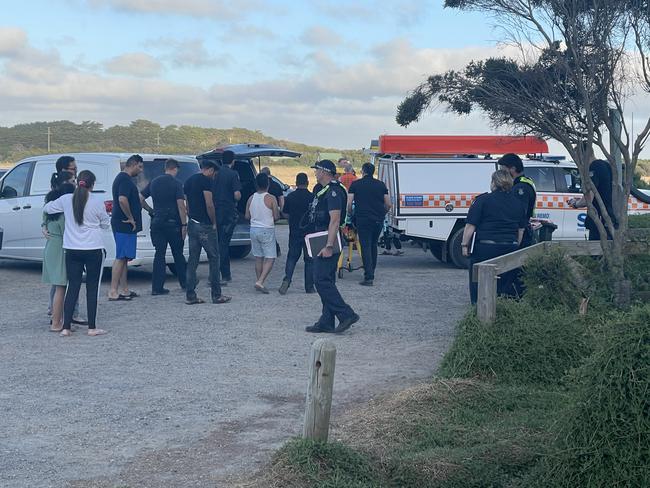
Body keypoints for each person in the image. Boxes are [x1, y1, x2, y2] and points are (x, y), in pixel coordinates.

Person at [44, 170, 110, 337]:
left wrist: (45, 226)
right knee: (92, 288)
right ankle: (92, 327)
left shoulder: (66, 200)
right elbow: (105, 224)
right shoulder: (96, 202)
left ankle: (65, 327)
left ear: (77, 183)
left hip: (72, 249)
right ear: (92, 185)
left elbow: (48, 208)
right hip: (93, 248)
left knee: (72, 287)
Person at [305, 160, 359, 334]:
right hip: (323, 238)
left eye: (317, 170)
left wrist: (329, 246)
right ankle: (326, 321)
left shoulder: (334, 192)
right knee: (326, 280)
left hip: (328, 241)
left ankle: (346, 314)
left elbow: (334, 220)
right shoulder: (328, 190)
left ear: (325, 172)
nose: (315, 173)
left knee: (320, 280)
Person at [461, 170, 527, 304]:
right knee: (505, 284)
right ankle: (503, 311)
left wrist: (464, 245)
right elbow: (521, 230)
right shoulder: (518, 203)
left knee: (479, 282)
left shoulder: (482, 200)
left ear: (493, 183)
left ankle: (479, 309)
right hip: (510, 247)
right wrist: (516, 245)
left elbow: (470, 226)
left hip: (486, 249)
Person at [184, 160, 231, 305]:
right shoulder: (206, 181)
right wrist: (214, 222)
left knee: (193, 260)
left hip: (192, 223)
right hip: (205, 225)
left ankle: (190, 295)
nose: (214, 176)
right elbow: (209, 204)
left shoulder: (189, 181)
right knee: (214, 258)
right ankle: (216, 295)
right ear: (210, 170)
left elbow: (186, 203)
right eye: (214, 173)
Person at [140, 158, 188, 295]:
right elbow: (180, 205)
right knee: (178, 253)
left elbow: (140, 198)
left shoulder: (154, 182)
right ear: (175, 169)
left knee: (159, 254)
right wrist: (184, 224)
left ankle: (157, 287)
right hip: (173, 224)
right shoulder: (177, 183)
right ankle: (185, 282)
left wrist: (150, 211)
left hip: (157, 223)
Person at [347, 162, 391, 286]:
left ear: (363, 171)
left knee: (365, 245)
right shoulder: (381, 185)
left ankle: (369, 276)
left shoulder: (356, 184)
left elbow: (349, 203)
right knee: (373, 245)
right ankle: (372, 271)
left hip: (363, 219)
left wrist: (350, 214)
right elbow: (388, 204)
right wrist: (382, 213)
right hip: (378, 219)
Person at [42, 172, 75, 332]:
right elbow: (67, 233)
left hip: (50, 247)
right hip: (60, 248)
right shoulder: (63, 215)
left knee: (57, 285)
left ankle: (57, 318)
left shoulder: (49, 209)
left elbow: (43, 220)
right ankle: (57, 322)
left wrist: (43, 227)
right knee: (61, 286)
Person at [109, 154, 143, 301]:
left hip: (123, 224)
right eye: (140, 167)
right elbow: (122, 200)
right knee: (120, 257)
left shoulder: (123, 179)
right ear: (133, 164)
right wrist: (130, 217)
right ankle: (113, 290)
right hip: (124, 224)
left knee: (125, 258)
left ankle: (124, 289)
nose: (141, 170)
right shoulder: (124, 180)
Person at [279, 173, 315, 295]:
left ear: (296, 182)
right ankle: (309, 287)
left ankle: (287, 280)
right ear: (307, 182)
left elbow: (285, 213)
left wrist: (292, 219)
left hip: (294, 231)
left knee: (292, 258)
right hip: (309, 233)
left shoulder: (290, 196)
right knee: (309, 260)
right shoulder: (313, 197)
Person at [567, 155, 617, 241]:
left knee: (596, 249)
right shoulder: (605, 165)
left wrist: (575, 203)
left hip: (598, 218)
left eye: (577, 158)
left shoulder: (594, 167)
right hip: (607, 217)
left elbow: (589, 197)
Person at [245, 173, 280, 293]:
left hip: (253, 229)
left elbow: (246, 215)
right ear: (268, 184)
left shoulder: (251, 198)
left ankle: (259, 281)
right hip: (266, 229)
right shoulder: (271, 198)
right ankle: (260, 281)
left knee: (258, 257)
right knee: (270, 257)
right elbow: (276, 216)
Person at [212, 150, 241, 283]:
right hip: (228, 212)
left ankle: (224, 273)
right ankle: (221, 275)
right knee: (224, 244)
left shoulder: (215, 174)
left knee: (217, 243)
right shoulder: (233, 174)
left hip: (216, 211)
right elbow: (236, 194)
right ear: (233, 161)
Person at [498, 153, 536, 248]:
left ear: (513, 169)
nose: (502, 173)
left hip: (520, 233)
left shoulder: (520, 187)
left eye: (503, 170)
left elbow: (519, 213)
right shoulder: (523, 182)